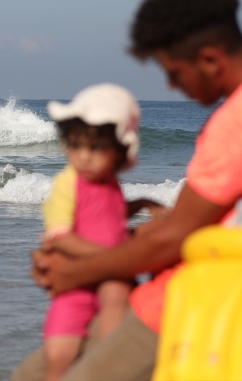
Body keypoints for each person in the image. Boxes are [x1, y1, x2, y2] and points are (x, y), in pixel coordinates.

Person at [12, 0, 242, 381]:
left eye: (174, 71)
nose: (171, 85)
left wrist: (74, 273)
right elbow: (204, 223)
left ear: (209, 60)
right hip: (188, 294)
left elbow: (177, 238)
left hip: (190, 309)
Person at [40, 84, 164, 381]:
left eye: (96, 148)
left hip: (110, 275)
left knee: (116, 296)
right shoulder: (68, 183)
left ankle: (107, 360)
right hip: (77, 279)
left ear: (120, 153)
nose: (84, 157)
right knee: (58, 359)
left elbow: (112, 214)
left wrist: (145, 203)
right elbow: (60, 235)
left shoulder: (110, 184)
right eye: (75, 146)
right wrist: (113, 255)